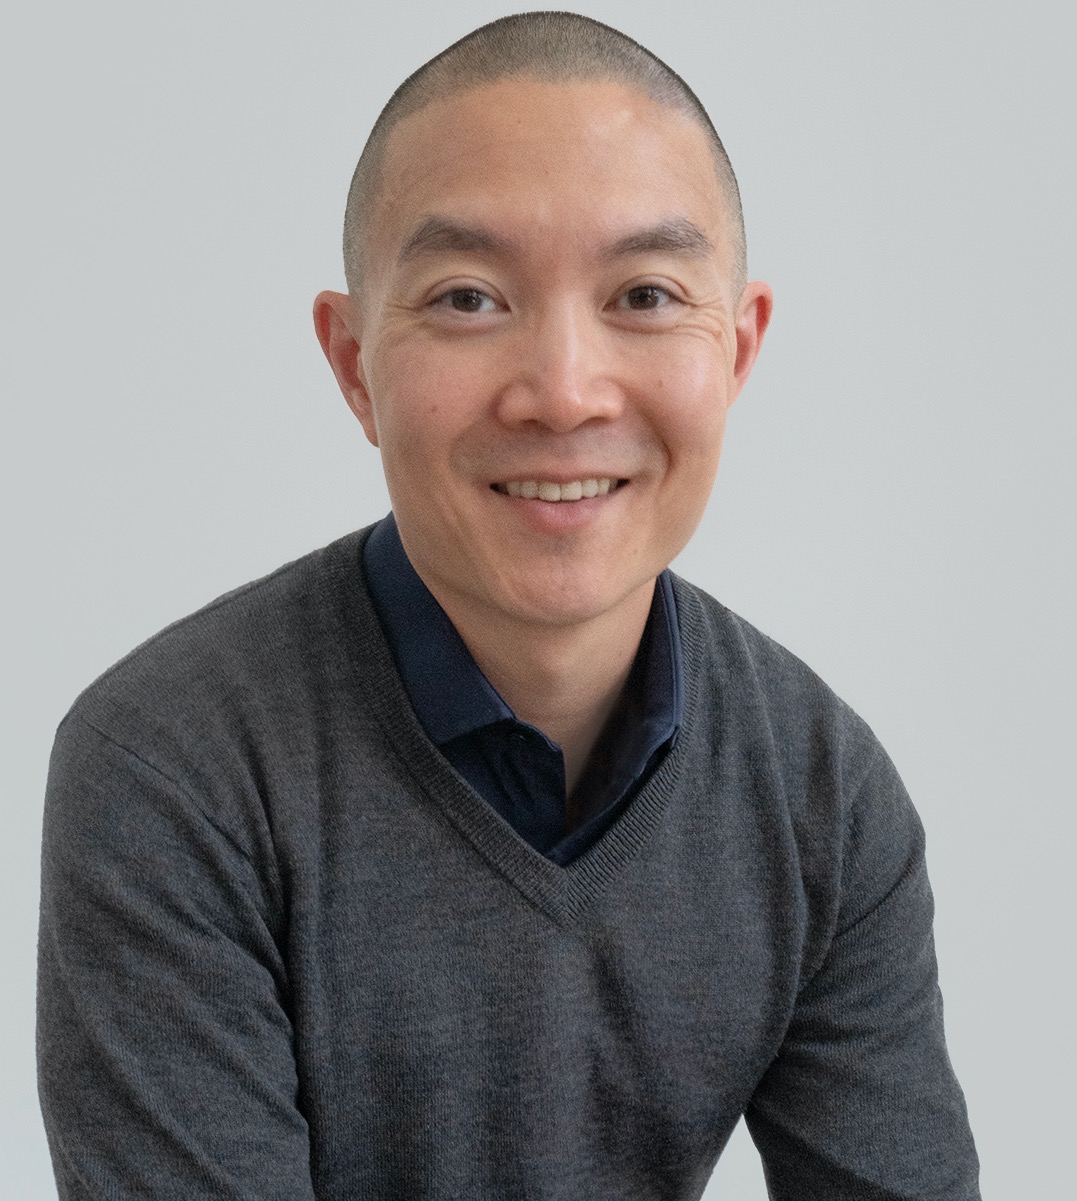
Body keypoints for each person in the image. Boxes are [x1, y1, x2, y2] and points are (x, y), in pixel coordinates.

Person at [37, 12, 980, 1200]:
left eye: (643, 293)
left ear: (736, 355)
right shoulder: (175, 767)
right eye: (470, 299)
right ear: (355, 365)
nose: (564, 392)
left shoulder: (822, 796)